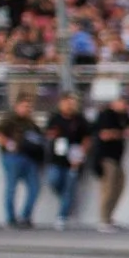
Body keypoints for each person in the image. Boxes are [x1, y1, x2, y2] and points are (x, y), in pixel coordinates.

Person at [89, 91, 129, 231]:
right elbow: (104, 135)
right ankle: (103, 219)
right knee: (109, 188)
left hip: (118, 158)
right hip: (105, 157)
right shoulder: (106, 115)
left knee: (119, 186)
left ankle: (109, 217)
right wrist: (122, 133)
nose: (126, 106)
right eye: (124, 103)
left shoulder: (123, 117)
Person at [0, 92, 45, 227]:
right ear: (17, 106)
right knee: (11, 188)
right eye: (25, 106)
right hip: (14, 157)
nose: (27, 109)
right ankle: (11, 219)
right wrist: (10, 144)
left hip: (29, 158)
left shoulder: (31, 123)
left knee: (34, 188)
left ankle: (25, 217)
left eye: (29, 106)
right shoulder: (9, 119)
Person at [42, 91, 92, 229]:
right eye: (67, 103)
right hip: (56, 159)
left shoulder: (80, 120)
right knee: (54, 180)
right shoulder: (54, 118)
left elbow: (87, 138)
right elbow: (47, 134)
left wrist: (81, 154)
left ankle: (62, 216)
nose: (69, 106)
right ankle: (66, 202)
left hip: (73, 160)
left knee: (69, 188)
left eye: (72, 103)